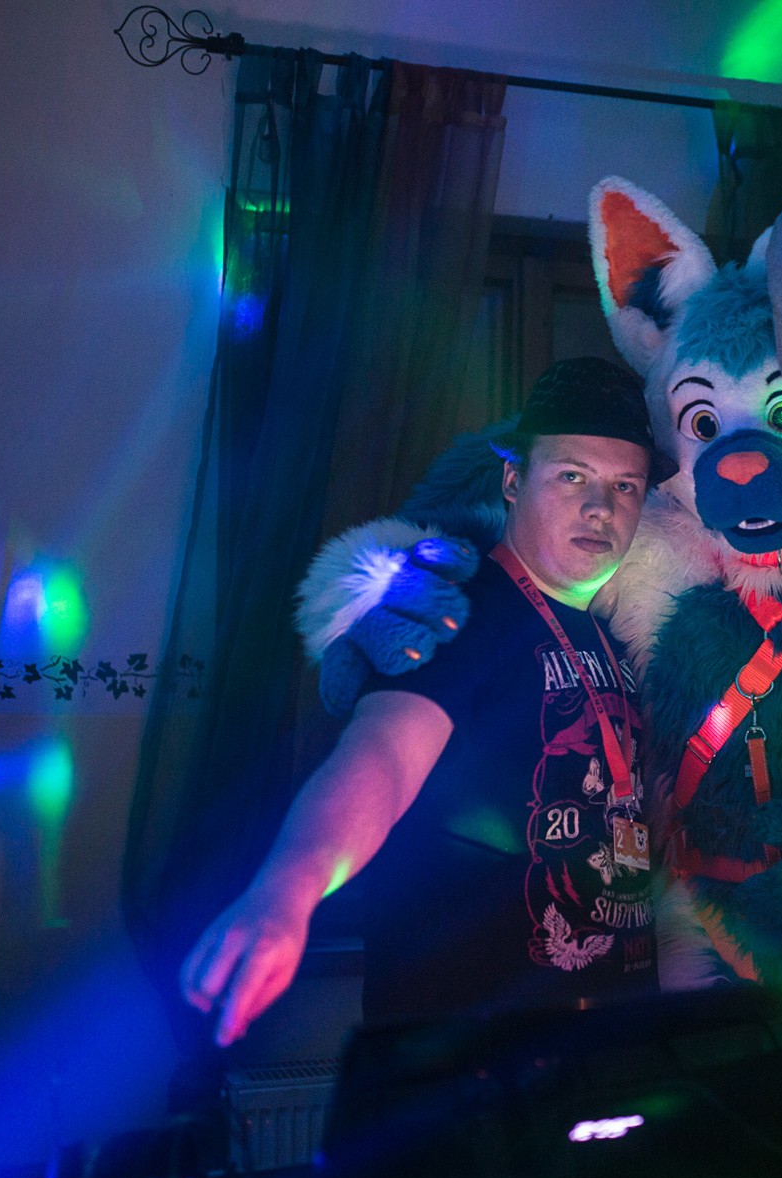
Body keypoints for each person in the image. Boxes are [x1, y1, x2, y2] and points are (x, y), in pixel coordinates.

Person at [180, 358, 667, 1046]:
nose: (600, 508)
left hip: (607, 1043)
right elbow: (382, 754)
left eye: (625, 486)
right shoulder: (454, 608)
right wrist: (288, 888)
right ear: (512, 480)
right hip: (470, 1056)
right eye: (572, 476)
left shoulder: (617, 634)